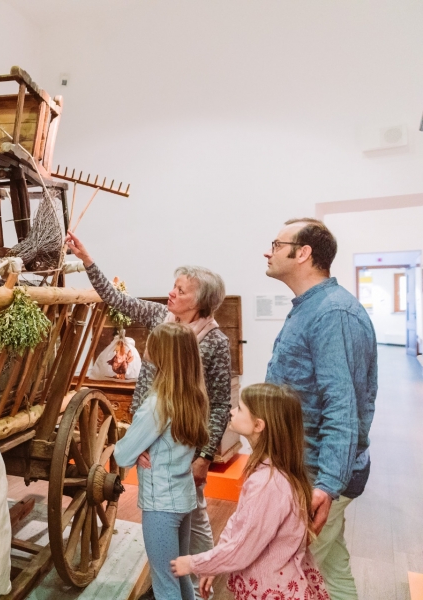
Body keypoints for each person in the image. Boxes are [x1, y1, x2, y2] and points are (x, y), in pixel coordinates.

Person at [66, 231, 232, 597]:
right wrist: (88, 261)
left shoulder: (215, 342)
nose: (171, 293)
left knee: (192, 518)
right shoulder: (161, 315)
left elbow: (219, 403)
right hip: (154, 436)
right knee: (185, 515)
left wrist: (205, 455)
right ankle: (188, 582)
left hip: (181, 442)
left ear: (200, 301)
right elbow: (116, 299)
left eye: (181, 290)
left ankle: (202, 578)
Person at [263, 218, 377, 600]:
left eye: (277, 244)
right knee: (331, 569)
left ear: (303, 253)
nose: (269, 251)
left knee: (285, 578)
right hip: (305, 468)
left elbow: (342, 406)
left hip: (314, 477)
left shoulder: (332, 313)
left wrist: (326, 485)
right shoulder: (312, 307)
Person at [170, 383, 331, 600]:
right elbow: (240, 522)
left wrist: (194, 563)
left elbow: (244, 545)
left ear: (258, 425)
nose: (232, 411)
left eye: (240, 408)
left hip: (273, 591)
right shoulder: (271, 473)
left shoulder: (269, 484)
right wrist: (214, 564)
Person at [114, 322, 209, 600]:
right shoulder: (194, 397)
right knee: (180, 576)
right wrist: (144, 446)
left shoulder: (158, 403)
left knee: (165, 583)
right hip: (183, 498)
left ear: (161, 355)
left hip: (161, 506)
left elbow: (122, 454)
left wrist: (137, 447)